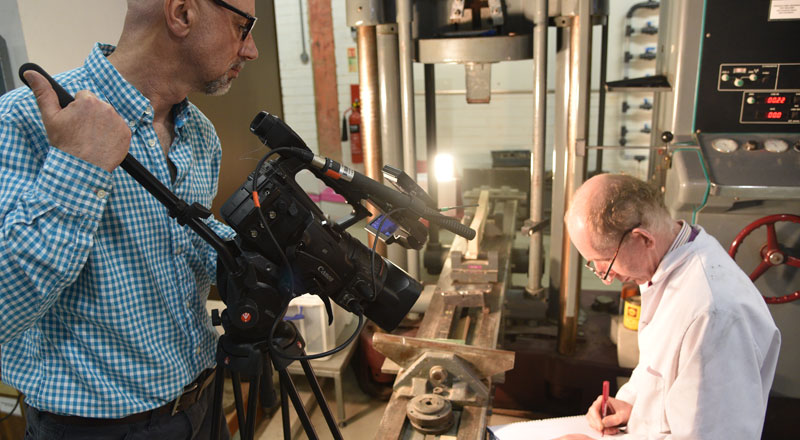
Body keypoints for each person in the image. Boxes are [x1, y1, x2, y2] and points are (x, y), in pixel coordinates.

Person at [0, 0, 258, 438]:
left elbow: (179, 248)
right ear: (182, 13)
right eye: (242, 26)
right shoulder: (21, 119)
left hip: (202, 405)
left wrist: (249, 254)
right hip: (94, 429)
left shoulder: (200, 134)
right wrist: (78, 167)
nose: (250, 50)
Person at [557, 174, 780, 439]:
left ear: (643, 239)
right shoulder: (670, 263)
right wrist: (633, 404)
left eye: (605, 261)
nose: (607, 279)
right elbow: (664, 372)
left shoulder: (713, 313)